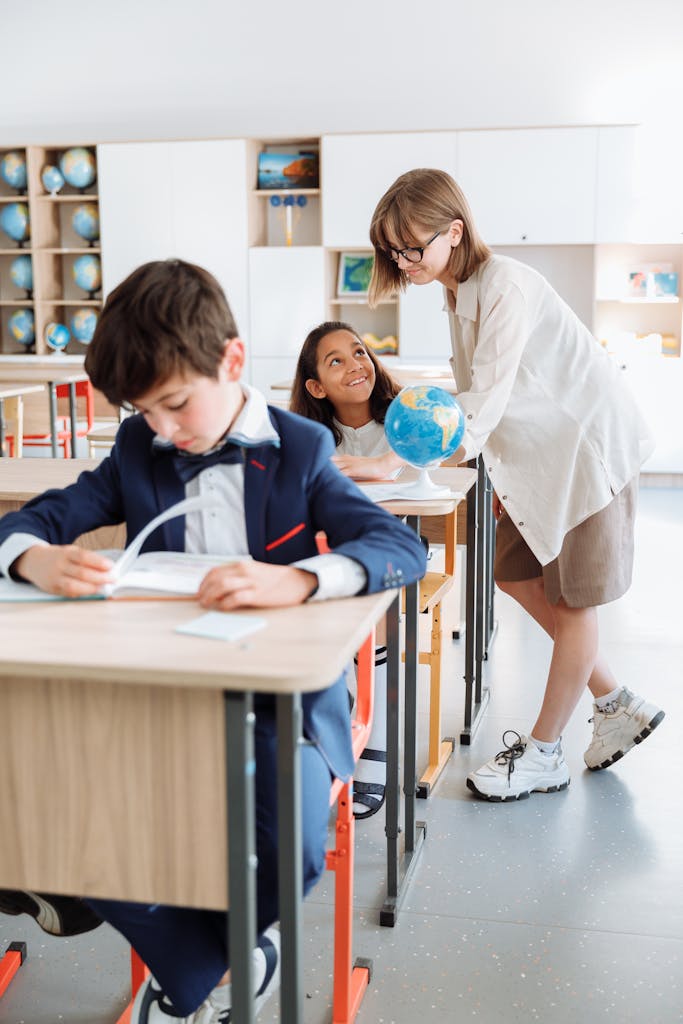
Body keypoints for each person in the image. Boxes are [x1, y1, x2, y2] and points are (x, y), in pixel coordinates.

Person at [0, 259, 427, 1022]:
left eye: (173, 405)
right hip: (155, 686)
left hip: (278, 703)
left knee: (282, 834)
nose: (162, 429)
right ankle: (222, 958)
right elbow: (36, 519)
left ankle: (190, 957)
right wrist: (35, 556)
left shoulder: (298, 448)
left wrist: (297, 580)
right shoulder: (138, 445)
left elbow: (397, 546)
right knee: (51, 796)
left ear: (230, 361)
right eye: (144, 411)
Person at [367, 167, 665, 803]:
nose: (403, 261)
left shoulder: (505, 285)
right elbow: (485, 398)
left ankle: (546, 752)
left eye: (412, 248)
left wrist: (394, 464)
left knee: (574, 600)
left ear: (454, 230)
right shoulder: (456, 292)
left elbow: (483, 405)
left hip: (587, 451)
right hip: (541, 457)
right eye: (394, 251)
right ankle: (614, 700)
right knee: (513, 574)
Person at [290, 321, 403, 818]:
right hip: (328, 557)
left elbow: (423, 462)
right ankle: (326, 732)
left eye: (360, 351)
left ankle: (370, 739)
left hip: (391, 556)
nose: (356, 364)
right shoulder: (310, 436)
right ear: (316, 387)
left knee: (369, 607)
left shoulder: (405, 420)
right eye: (335, 360)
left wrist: (385, 463)